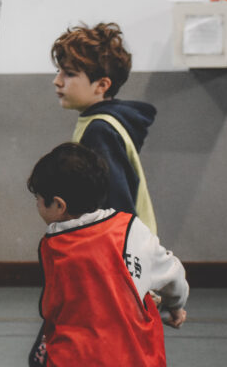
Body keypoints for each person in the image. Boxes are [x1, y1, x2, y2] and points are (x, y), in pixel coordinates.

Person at [27, 142, 187, 367]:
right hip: (138, 358)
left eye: (39, 199)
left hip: (79, 358)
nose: (36, 205)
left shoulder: (55, 245)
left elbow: (51, 308)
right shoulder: (132, 228)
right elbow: (173, 273)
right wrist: (175, 304)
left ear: (59, 205)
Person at [51, 22, 159, 234]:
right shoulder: (101, 122)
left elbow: (115, 210)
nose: (57, 81)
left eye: (69, 74)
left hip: (122, 254)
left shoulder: (100, 131)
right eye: (59, 71)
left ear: (102, 85)